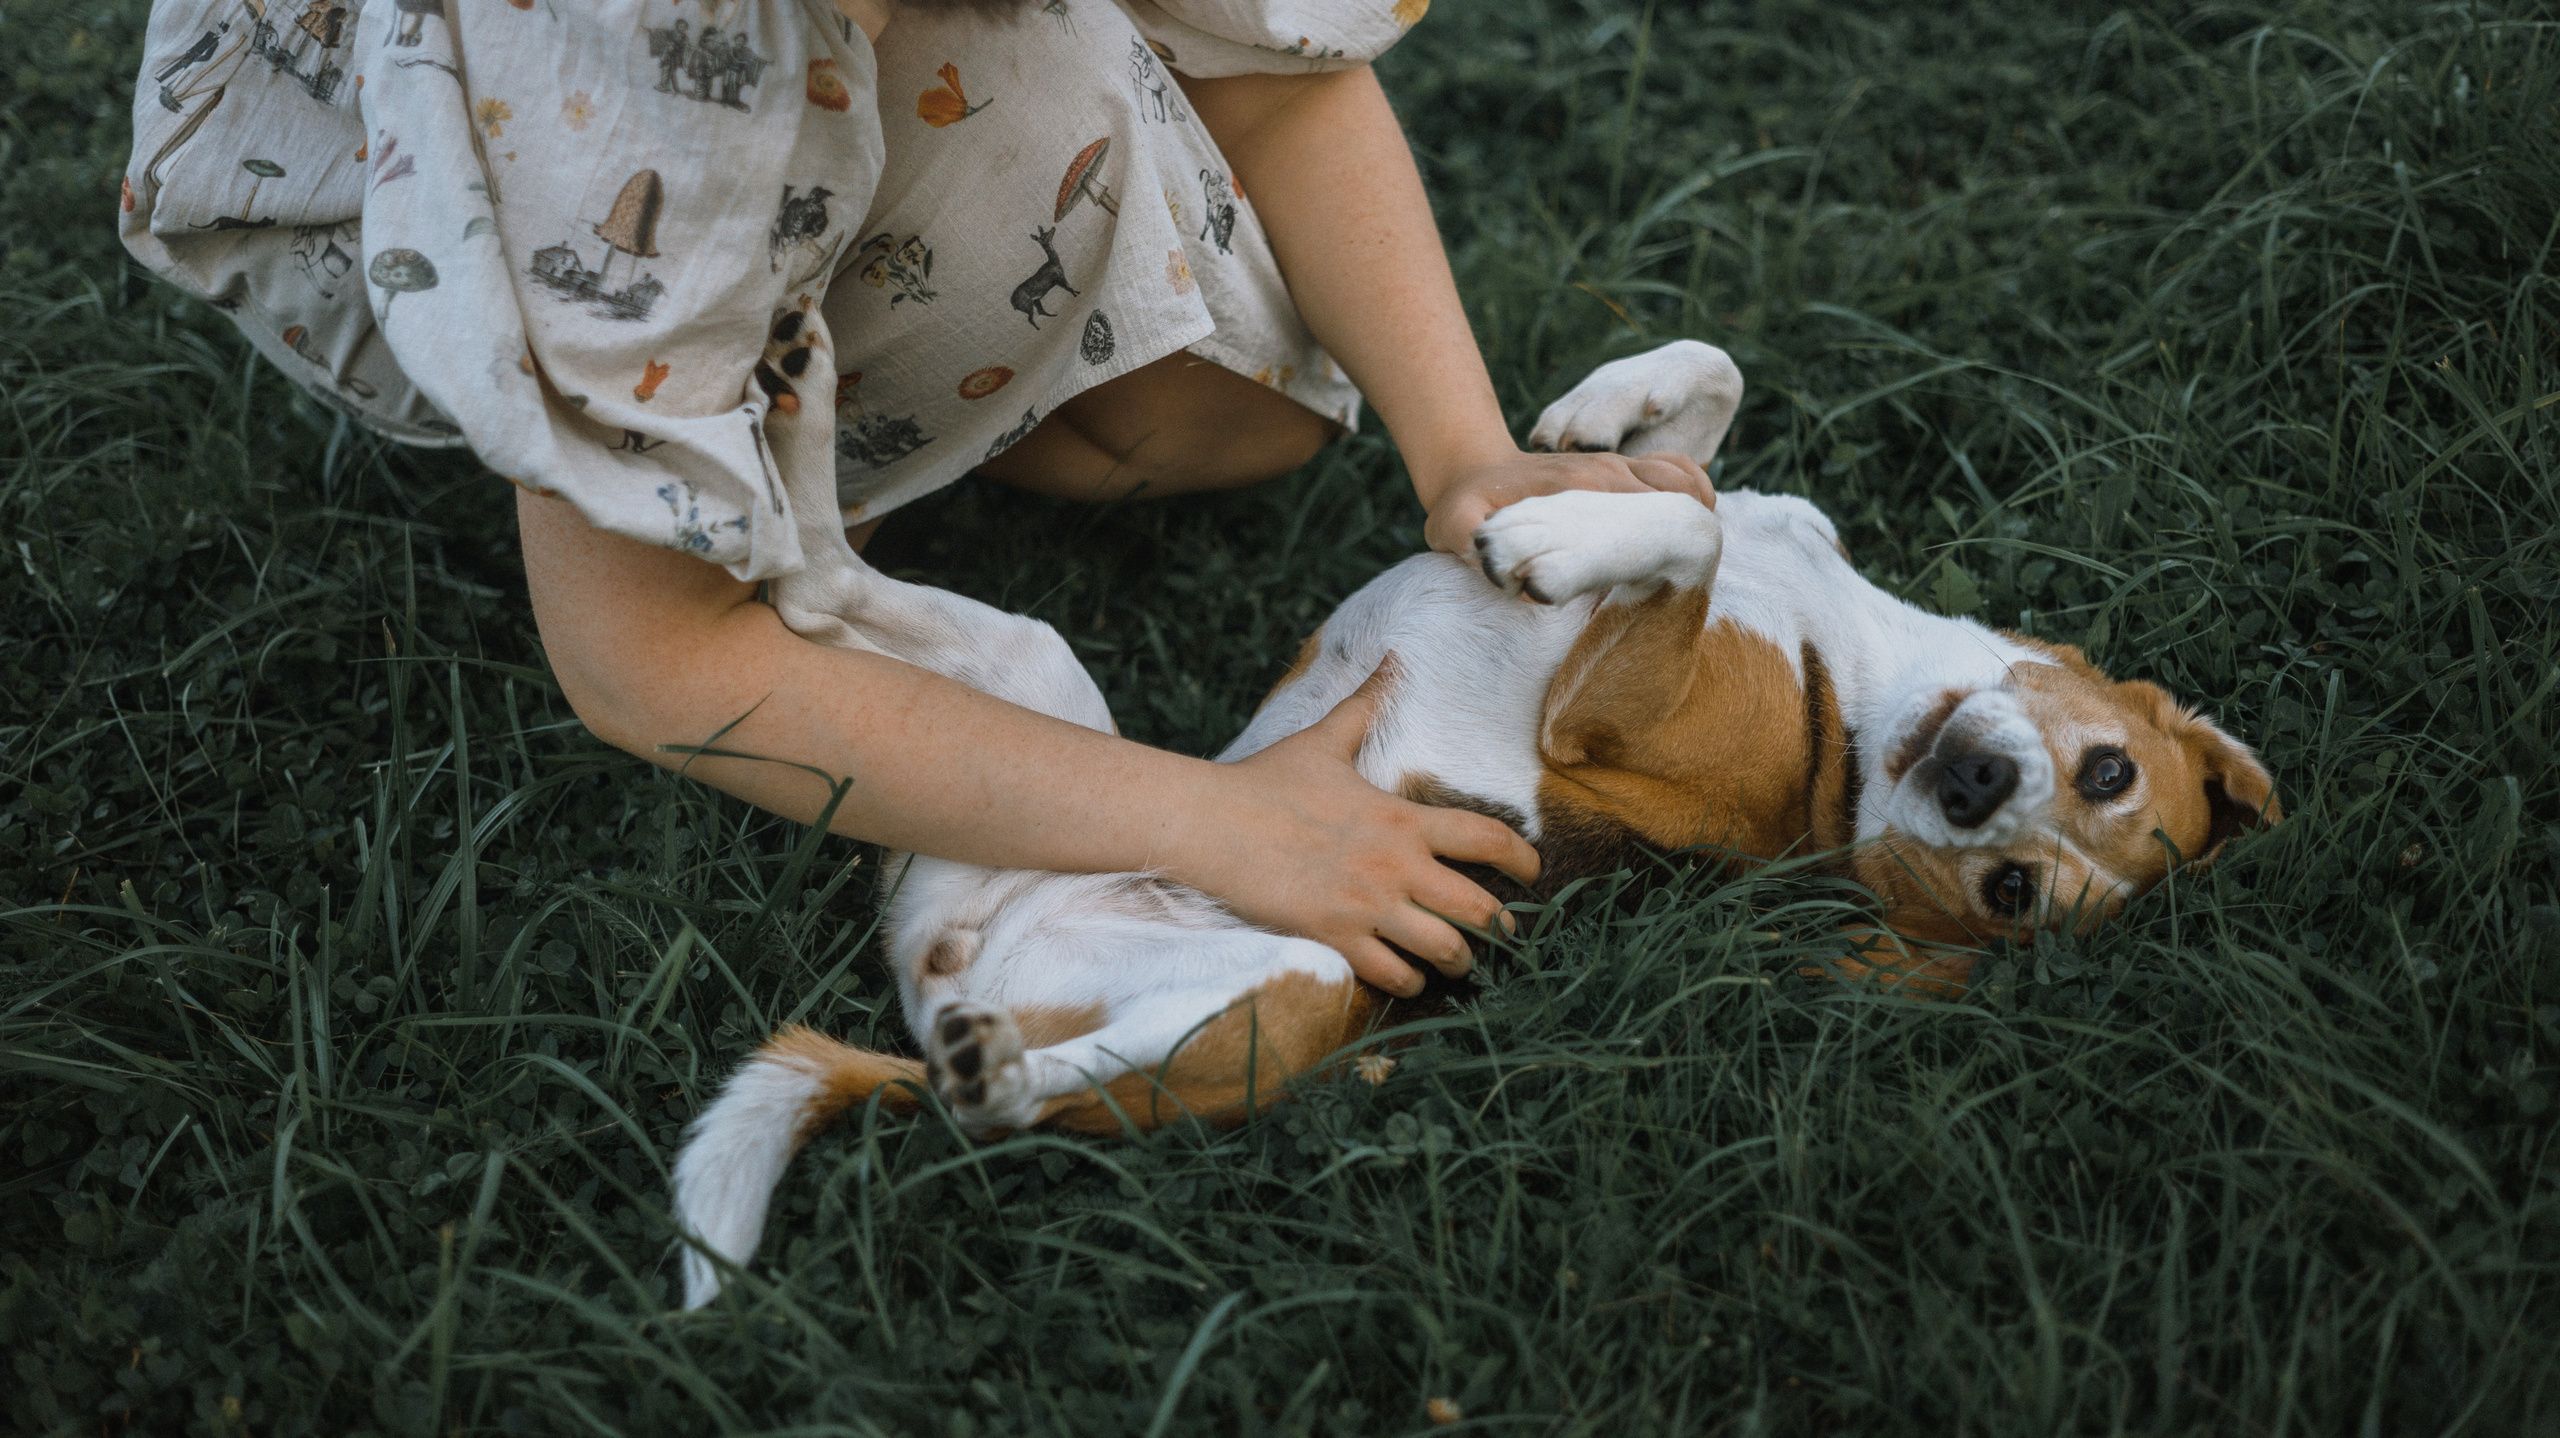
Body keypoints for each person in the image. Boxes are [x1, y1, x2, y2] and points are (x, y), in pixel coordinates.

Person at [121, 0, 1711, 996]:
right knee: (702, 541)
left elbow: (1284, 86)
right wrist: (1216, 820)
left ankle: (800, 404)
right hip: (416, 164)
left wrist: (1466, 453)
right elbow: (641, 664)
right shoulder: (638, 69)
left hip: (786, 75)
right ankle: (683, 451)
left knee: (1236, 419)